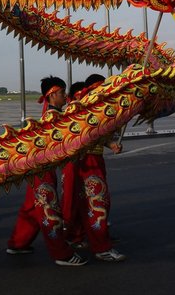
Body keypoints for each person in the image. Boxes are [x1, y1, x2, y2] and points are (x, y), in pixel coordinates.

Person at [6, 76, 87, 267]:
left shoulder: (53, 115)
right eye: (61, 93)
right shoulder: (52, 118)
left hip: (39, 170)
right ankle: (62, 254)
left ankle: (18, 243)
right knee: (50, 211)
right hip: (43, 170)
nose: (65, 96)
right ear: (51, 95)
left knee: (32, 208)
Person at [60, 74, 126, 262]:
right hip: (84, 161)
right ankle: (101, 247)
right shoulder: (80, 107)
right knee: (97, 203)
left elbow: (98, 133)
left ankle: (77, 237)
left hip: (90, 159)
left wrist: (111, 143)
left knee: (81, 203)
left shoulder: (94, 108)